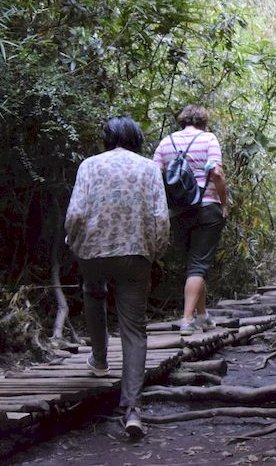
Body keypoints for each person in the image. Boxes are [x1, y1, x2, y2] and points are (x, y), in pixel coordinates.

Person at [65, 116, 169, 439]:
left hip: (93, 250)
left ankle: (98, 359)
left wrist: (73, 241)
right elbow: (161, 218)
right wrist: (156, 251)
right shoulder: (149, 168)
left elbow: (76, 213)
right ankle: (133, 410)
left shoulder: (89, 165)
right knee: (134, 328)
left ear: (107, 139)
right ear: (137, 139)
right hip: (134, 252)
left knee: (93, 292)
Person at [152, 104, 229, 335]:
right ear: (203, 121)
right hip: (206, 208)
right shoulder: (208, 140)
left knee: (195, 264)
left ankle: (203, 315)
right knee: (198, 265)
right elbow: (216, 172)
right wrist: (224, 203)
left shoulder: (167, 143)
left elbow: (154, 174)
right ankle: (187, 320)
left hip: (179, 211)